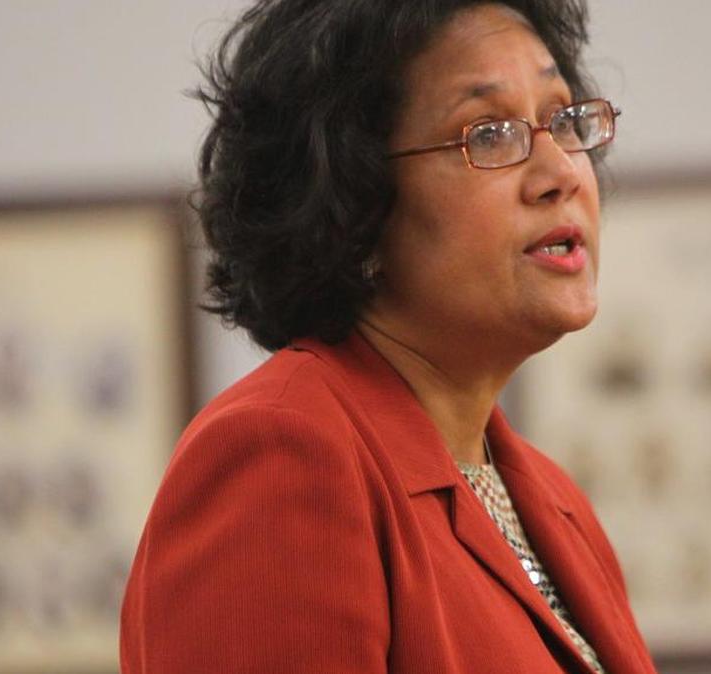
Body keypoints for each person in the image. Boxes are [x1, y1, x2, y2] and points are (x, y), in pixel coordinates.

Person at [120, 1, 657, 672]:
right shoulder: (283, 459)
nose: (563, 174)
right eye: (488, 133)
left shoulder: (553, 501)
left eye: (564, 119)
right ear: (352, 201)